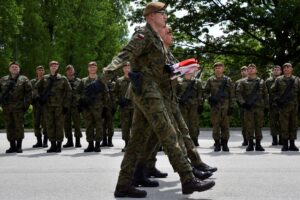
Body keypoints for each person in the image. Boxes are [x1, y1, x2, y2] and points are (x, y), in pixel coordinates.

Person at [102, 2, 215, 198]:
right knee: (169, 134)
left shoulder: (156, 39)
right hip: (147, 93)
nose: (166, 16)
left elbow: (158, 69)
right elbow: (125, 53)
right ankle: (188, 178)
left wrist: (175, 70)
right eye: (163, 13)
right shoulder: (143, 34)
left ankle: (123, 184)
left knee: (136, 141)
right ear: (152, 15)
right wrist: (107, 73)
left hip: (151, 92)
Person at [34, 60, 71, 153]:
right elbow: (35, 87)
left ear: (58, 67)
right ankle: (52, 145)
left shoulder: (63, 78)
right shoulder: (45, 78)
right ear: (49, 67)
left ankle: (59, 145)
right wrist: (38, 97)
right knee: (50, 126)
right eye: (52, 66)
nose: (53, 67)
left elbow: (69, 92)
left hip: (60, 107)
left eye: (55, 65)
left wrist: (66, 105)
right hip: (47, 107)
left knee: (59, 126)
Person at [0, 61, 32, 153]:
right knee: (9, 126)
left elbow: (29, 93)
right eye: (13, 67)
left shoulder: (24, 79)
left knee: (19, 126)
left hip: (19, 108)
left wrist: (26, 105)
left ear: (19, 69)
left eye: (16, 67)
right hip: (7, 108)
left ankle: (19, 146)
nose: (14, 68)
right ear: (9, 69)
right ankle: (12, 146)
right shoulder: (3, 79)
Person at [236, 64, 268, 151]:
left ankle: (258, 144)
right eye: (249, 68)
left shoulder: (261, 82)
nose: (250, 70)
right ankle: (250, 143)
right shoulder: (242, 82)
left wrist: (266, 106)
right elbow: (238, 93)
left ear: (256, 70)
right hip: (248, 108)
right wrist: (243, 103)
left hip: (259, 107)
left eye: (253, 68)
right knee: (249, 126)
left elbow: (265, 95)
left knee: (259, 126)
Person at [204, 62, 234, 152]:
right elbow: (205, 91)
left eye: (220, 67)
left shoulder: (228, 80)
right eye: (216, 67)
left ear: (223, 69)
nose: (218, 69)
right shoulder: (210, 80)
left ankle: (224, 144)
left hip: (225, 106)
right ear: (214, 69)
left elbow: (232, 94)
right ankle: (217, 143)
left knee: (226, 126)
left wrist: (231, 106)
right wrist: (209, 98)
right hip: (215, 107)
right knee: (215, 126)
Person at [78, 61, 107, 153]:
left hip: (98, 107)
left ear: (96, 68)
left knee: (99, 126)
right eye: (90, 67)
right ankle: (90, 144)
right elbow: (77, 93)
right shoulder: (83, 81)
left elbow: (106, 94)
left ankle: (97, 144)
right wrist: (82, 100)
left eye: (94, 67)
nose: (92, 68)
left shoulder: (101, 81)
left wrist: (105, 107)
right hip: (87, 108)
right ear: (88, 69)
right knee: (89, 126)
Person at [271, 63, 300, 151]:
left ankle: (292, 144)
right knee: (284, 125)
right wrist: (278, 100)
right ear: (283, 70)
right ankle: (285, 144)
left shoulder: (297, 79)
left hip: (294, 106)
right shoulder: (279, 80)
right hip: (283, 107)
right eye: (285, 67)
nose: (286, 69)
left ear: (291, 69)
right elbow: (272, 91)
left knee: (293, 125)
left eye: (288, 67)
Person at [177, 71, 204, 147]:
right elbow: (176, 93)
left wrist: (200, 104)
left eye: (190, 72)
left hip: (194, 105)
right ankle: (185, 139)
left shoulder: (197, 82)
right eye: (187, 72)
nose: (188, 74)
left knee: (194, 122)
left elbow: (200, 94)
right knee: (183, 122)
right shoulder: (179, 82)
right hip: (182, 105)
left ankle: (194, 138)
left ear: (192, 73)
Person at [114, 62, 134, 152]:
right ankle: (127, 143)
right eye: (125, 67)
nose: (127, 69)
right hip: (124, 107)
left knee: (135, 126)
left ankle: (135, 145)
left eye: (128, 67)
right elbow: (114, 93)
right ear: (123, 69)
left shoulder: (135, 79)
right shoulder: (119, 81)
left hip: (135, 107)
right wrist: (118, 101)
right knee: (125, 126)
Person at [63, 65, 82, 148]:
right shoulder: (63, 81)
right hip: (66, 106)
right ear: (66, 72)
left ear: (74, 71)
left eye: (71, 70)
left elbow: (82, 93)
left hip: (76, 106)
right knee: (66, 124)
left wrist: (80, 103)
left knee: (77, 123)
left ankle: (78, 141)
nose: (70, 71)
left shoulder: (79, 81)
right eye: (68, 70)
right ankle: (69, 141)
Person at [31, 65, 48, 148]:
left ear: (44, 71)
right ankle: (39, 141)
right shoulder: (33, 81)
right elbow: (29, 92)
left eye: (42, 70)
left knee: (46, 123)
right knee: (36, 123)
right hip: (36, 105)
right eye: (39, 70)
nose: (40, 72)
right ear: (36, 71)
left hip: (45, 105)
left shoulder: (47, 80)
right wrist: (33, 98)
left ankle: (45, 141)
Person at [265, 65, 282, 145]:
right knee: (273, 123)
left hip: (282, 105)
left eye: (277, 70)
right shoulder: (268, 81)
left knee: (283, 122)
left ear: (280, 71)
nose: (276, 71)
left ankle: (282, 139)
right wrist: (266, 106)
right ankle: (274, 139)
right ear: (272, 71)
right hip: (272, 105)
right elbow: (265, 93)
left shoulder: (284, 80)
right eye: (274, 70)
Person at [235, 66, 248, 146]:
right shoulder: (237, 82)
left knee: (252, 124)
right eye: (242, 71)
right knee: (244, 124)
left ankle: (251, 139)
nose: (244, 72)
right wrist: (239, 103)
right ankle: (245, 139)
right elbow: (235, 93)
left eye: (245, 70)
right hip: (242, 106)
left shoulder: (252, 80)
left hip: (252, 105)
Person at [101, 79, 116, 147]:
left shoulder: (113, 84)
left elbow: (115, 96)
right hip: (102, 107)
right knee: (102, 125)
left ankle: (110, 140)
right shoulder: (101, 84)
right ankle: (104, 140)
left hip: (110, 107)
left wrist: (114, 107)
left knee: (110, 125)